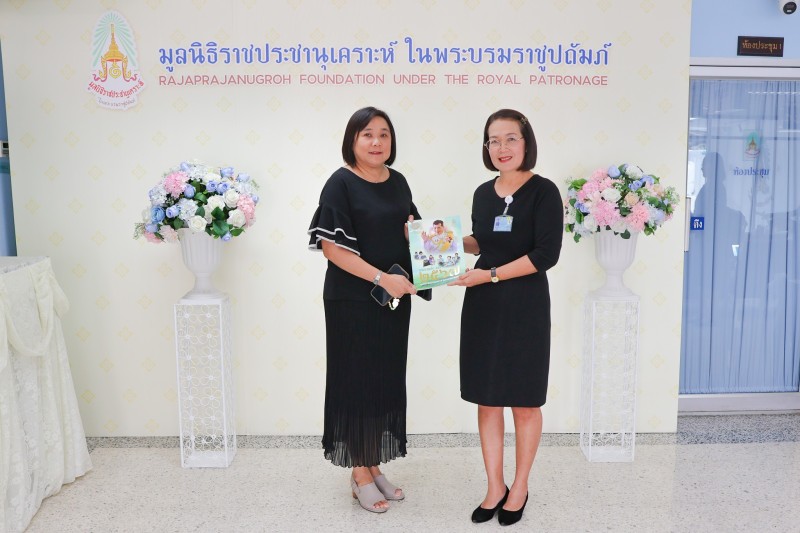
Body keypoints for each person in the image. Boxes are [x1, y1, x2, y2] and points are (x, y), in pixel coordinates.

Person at [449, 109, 563, 526]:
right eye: (493, 140)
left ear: (526, 142)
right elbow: (483, 240)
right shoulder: (483, 192)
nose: (502, 148)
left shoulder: (544, 191)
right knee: (488, 398)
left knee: (525, 401)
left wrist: (491, 275)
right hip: (483, 306)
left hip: (525, 306)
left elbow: (545, 254)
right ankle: (494, 486)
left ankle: (519, 487)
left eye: (510, 138)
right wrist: (437, 239)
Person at [307, 107, 420, 514]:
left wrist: (415, 236)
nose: (376, 142)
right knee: (355, 382)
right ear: (352, 140)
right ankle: (358, 473)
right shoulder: (340, 183)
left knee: (383, 380)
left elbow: (415, 234)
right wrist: (380, 278)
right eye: (367, 134)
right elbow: (332, 249)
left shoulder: (398, 181)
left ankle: (373, 464)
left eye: (384, 134)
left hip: (392, 301)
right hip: (352, 301)